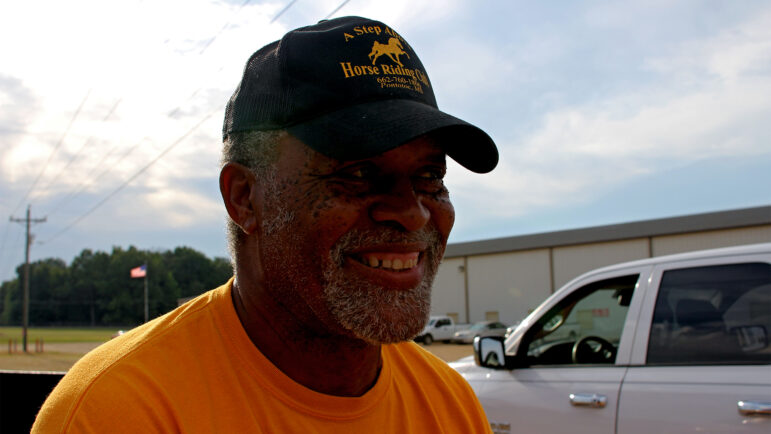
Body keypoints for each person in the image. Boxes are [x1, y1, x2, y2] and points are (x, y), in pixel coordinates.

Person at [33, 16, 498, 433]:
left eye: (430, 177)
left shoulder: (450, 406)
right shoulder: (119, 412)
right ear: (244, 198)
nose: (413, 212)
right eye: (358, 174)